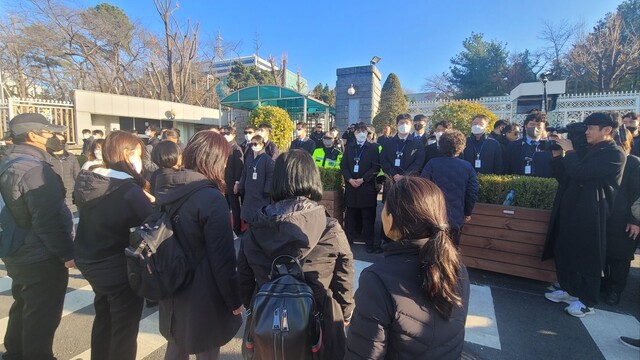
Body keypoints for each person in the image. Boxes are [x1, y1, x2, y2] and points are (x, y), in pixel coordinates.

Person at [237, 150, 355, 360]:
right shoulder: (330, 228)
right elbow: (343, 275)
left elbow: (244, 278)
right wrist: (345, 312)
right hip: (319, 320)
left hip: (268, 322)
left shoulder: (255, 227)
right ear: (312, 178)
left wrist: (251, 305)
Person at [344, 177, 470, 360]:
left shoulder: (377, 280)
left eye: (385, 207)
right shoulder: (456, 267)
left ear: (392, 219)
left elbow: (363, 353)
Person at [155, 131, 243, 360]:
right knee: (207, 349)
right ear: (214, 160)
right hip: (203, 294)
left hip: (172, 283)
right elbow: (223, 259)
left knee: (177, 345)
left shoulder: (168, 185)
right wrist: (235, 300)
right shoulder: (211, 198)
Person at [73, 130, 154, 360]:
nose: (141, 161)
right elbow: (151, 224)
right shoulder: (128, 190)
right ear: (127, 155)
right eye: (139, 154)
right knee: (124, 329)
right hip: (117, 268)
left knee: (104, 316)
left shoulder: (89, 179)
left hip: (90, 260)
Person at [0, 113, 75, 360]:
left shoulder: (9, 161)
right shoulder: (34, 169)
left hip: (16, 248)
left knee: (23, 305)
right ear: (32, 135)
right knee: (42, 315)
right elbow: (49, 220)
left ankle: (15, 353)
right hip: (40, 254)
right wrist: (67, 253)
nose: (55, 137)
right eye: (48, 132)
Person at [543, 112, 626, 317]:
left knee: (588, 256)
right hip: (570, 206)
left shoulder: (614, 153)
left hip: (592, 211)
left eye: (591, 128)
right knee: (564, 248)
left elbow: (582, 173)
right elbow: (565, 176)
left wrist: (570, 152)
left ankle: (588, 300)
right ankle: (569, 289)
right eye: (586, 128)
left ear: (607, 130)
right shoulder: (585, 149)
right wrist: (557, 154)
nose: (587, 132)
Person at [602, 128, 640, 305]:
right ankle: (602, 284)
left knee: (620, 258)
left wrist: (635, 220)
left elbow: (637, 194)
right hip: (604, 214)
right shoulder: (605, 158)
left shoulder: (634, 163)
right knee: (603, 253)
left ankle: (615, 290)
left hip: (624, 219)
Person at [421, 130, 479, 246]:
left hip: (434, 216)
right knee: (451, 249)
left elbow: (423, 188)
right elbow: (472, 191)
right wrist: (467, 212)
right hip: (456, 217)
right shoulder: (467, 166)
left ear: (441, 146)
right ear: (461, 147)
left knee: (431, 250)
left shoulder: (432, 164)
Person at [341, 123, 381, 253]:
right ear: (354, 133)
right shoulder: (349, 147)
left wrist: (363, 179)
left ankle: (369, 243)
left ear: (367, 132)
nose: (361, 133)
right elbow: (344, 166)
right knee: (350, 217)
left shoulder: (374, 148)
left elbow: (375, 167)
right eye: (359, 131)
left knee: (367, 217)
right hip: (351, 186)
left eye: (364, 130)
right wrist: (350, 179)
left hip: (367, 186)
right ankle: (347, 241)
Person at [236, 135, 275, 224]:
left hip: (261, 192)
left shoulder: (267, 159)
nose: (253, 146)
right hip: (249, 192)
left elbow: (270, 176)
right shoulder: (249, 158)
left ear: (262, 145)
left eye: (256, 144)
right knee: (249, 216)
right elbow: (244, 173)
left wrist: (267, 190)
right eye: (251, 144)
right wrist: (241, 186)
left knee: (259, 217)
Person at [504, 111, 553, 177]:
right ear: (526, 126)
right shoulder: (513, 146)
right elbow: (506, 168)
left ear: (543, 128)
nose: (535, 127)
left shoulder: (549, 147)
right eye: (532, 124)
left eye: (538, 125)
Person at [45, 133, 80, 213]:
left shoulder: (71, 157)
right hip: (53, 196)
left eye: (62, 141)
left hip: (70, 196)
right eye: (57, 140)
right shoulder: (46, 157)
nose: (60, 143)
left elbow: (77, 176)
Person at [222, 126, 244, 235]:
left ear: (233, 134)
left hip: (232, 182)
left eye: (228, 133)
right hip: (224, 182)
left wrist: (237, 182)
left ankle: (237, 229)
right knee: (225, 207)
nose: (225, 135)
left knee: (235, 208)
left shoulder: (236, 148)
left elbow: (239, 167)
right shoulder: (224, 147)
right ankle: (228, 228)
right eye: (224, 133)